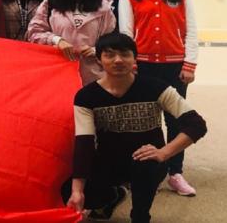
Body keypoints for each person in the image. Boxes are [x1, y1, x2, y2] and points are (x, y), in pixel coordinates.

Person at [64, 32, 208, 223]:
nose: (118, 60)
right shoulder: (86, 96)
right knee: (68, 191)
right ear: (99, 60)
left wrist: (164, 153)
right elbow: (84, 143)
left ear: (134, 59)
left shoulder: (157, 88)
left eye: (125, 54)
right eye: (109, 55)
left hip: (148, 160)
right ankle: (114, 195)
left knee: (145, 165)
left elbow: (196, 125)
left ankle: (140, 215)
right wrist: (77, 191)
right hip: (109, 161)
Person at [118, 0, 199, 197]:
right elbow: (125, 32)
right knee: (144, 119)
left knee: (175, 119)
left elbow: (192, 31)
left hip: (175, 66)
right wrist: (130, 64)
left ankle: (175, 173)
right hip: (142, 66)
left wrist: (190, 64)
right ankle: (144, 171)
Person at [27, 0, 116, 84]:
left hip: (94, 74)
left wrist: (95, 50)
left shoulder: (104, 6)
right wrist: (57, 40)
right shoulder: (50, 3)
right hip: (57, 72)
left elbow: (112, 39)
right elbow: (34, 32)